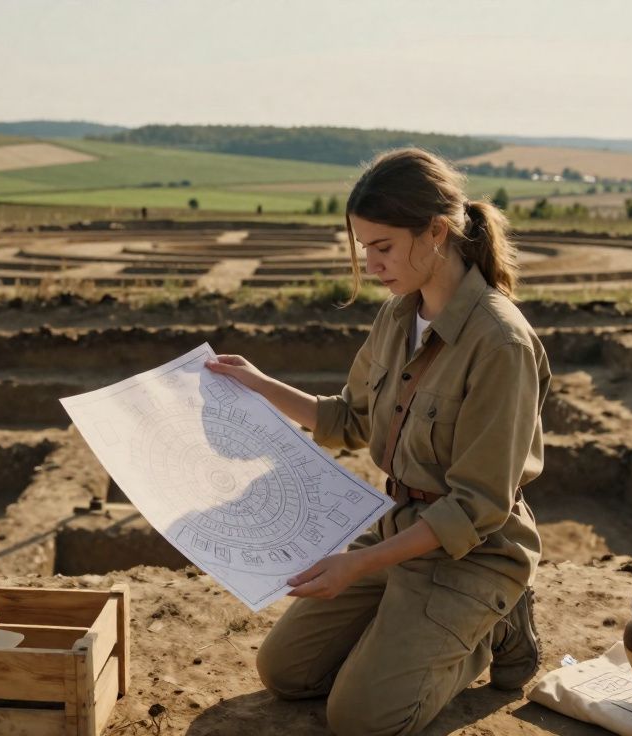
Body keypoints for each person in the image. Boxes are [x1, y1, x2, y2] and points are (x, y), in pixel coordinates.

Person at [204, 148, 551, 735]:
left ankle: (495, 626)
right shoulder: (397, 317)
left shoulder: (500, 344)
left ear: (436, 232)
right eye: (364, 247)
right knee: (285, 673)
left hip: (473, 550)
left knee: (363, 719)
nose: (372, 263)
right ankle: (407, 629)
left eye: (383, 246)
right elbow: (348, 420)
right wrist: (257, 385)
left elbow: (477, 508)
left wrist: (357, 564)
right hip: (396, 528)